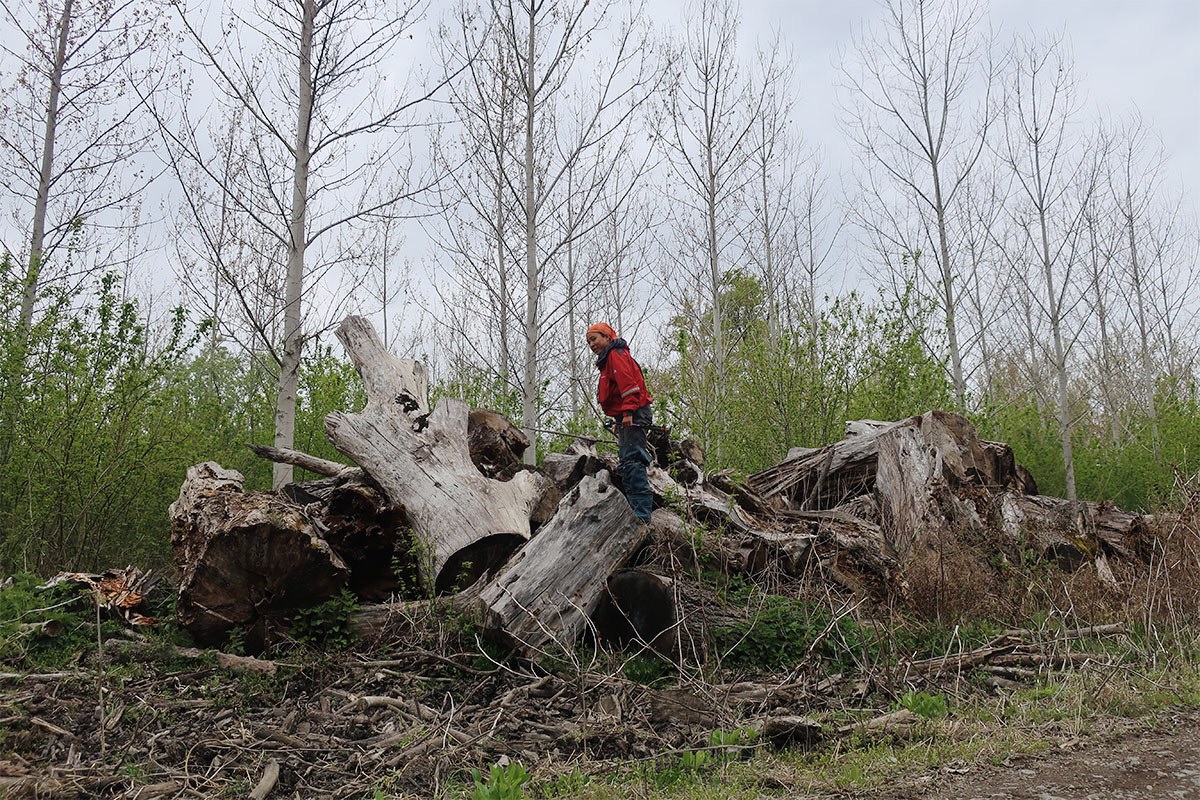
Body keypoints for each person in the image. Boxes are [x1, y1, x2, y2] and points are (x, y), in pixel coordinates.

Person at [586, 322, 654, 524]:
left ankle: (641, 516)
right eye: (588, 341)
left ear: (607, 337)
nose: (591, 344)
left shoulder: (616, 355)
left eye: (594, 338)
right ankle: (635, 510)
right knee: (627, 462)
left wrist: (628, 413)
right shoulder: (608, 360)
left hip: (635, 413)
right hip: (628, 415)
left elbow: (629, 386)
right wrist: (620, 417)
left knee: (633, 462)